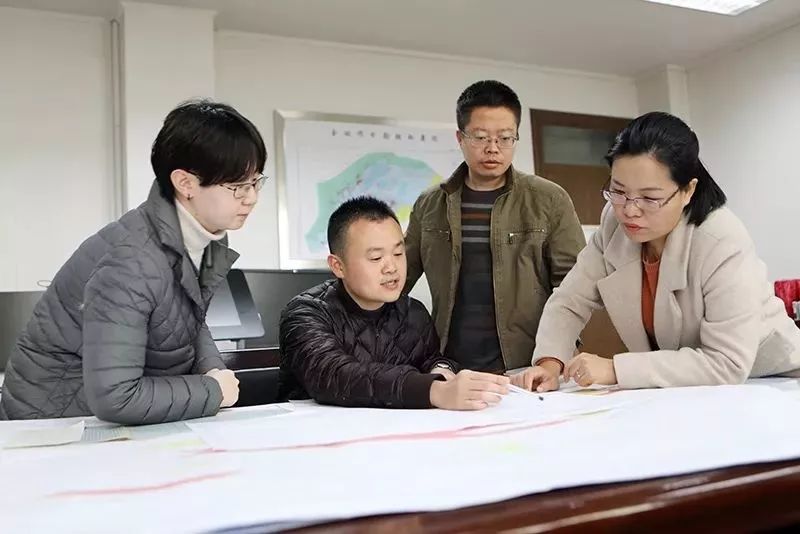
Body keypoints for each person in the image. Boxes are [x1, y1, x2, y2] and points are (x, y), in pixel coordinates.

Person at [0, 99, 267, 423]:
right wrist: (213, 390)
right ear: (185, 183)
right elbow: (116, 397)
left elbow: (188, 320)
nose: (251, 198)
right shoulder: (132, 261)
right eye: (238, 186)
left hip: (98, 421)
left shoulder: (200, 236)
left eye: (255, 182)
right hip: (53, 426)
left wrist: (212, 368)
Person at [512, 111, 800, 392]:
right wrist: (550, 362)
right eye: (618, 191)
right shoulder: (614, 224)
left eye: (650, 198)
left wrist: (615, 369)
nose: (630, 210)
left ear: (688, 190)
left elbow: (726, 362)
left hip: (768, 379)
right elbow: (569, 300)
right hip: (688, 387)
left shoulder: (721, 239)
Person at [404, 80, 585, 375]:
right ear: (460, 138)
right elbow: (400, 276)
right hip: (449, 365)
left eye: (504, 138)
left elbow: (574, 288)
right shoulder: (430, 204)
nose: (492, 149)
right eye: (480, 137)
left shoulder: (548, 199)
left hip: (528, 364)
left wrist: (557, 356)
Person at [279, 196, 509, 409]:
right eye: (376, 258)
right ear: (338, 266)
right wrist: (434, 390)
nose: (391, 267)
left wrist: (441, 370)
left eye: (398, 254)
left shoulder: (412, 312)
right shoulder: (305, 314)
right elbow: (334, 375)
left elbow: (431, 359)